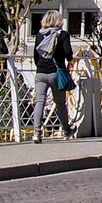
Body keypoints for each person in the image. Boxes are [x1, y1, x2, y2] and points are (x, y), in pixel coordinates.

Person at [31, 10, 73, 143]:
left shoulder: (40, 35)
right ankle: (66, 130)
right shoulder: (63, 35)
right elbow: (68, 53)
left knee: (40, 102)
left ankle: (37, 132)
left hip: (41, 73)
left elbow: (35, 56)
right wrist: (67, 60)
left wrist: (41, 67)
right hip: (56, 73)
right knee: (60, 103)